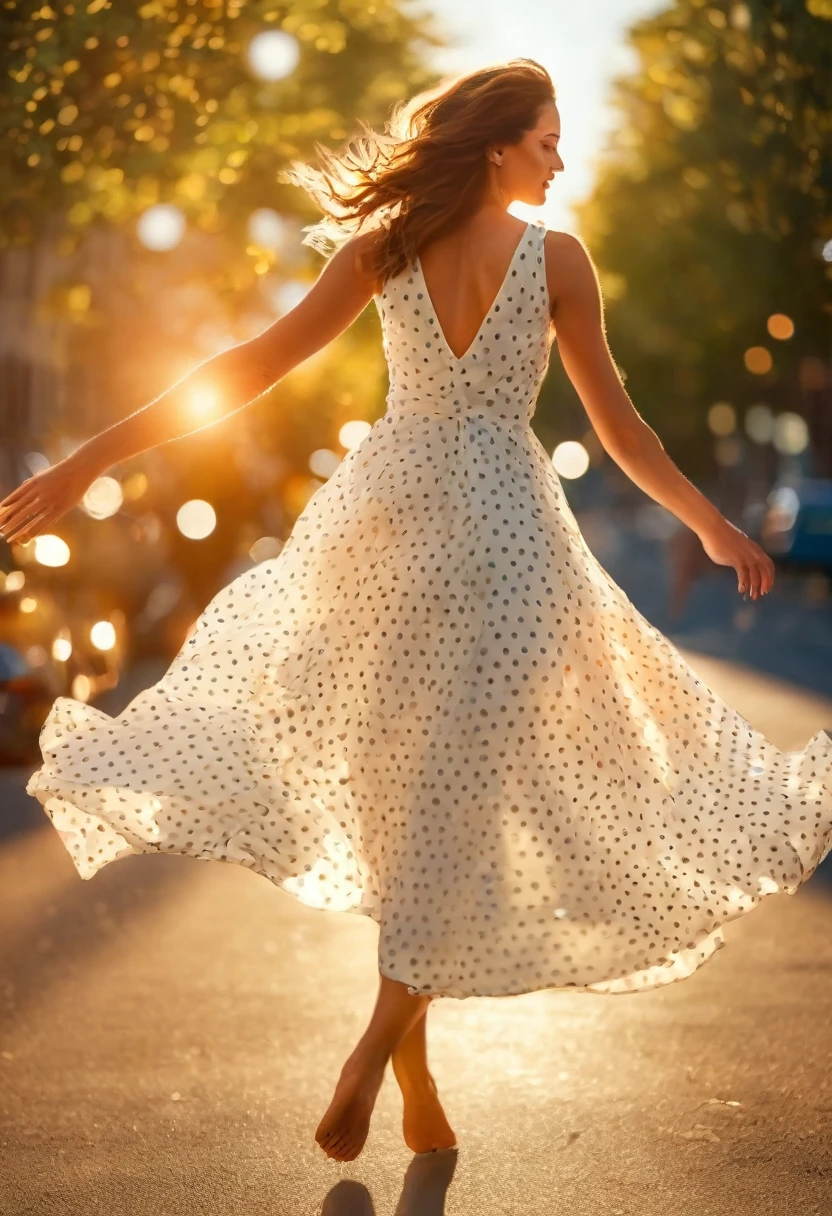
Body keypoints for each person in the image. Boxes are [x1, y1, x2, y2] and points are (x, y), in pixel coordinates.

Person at [2, 59, 830, 1167]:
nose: (560, 158)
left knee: (416, 813)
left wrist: (88, 458)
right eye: (546, 139)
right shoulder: (557, 261)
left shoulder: (382, 247)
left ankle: (410, 1065)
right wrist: (709, 524)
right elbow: (622, 430)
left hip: (382, 533)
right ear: (497, 147)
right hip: (500, 543)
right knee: (458, 815)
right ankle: (373, 1056)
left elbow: (245, 366)